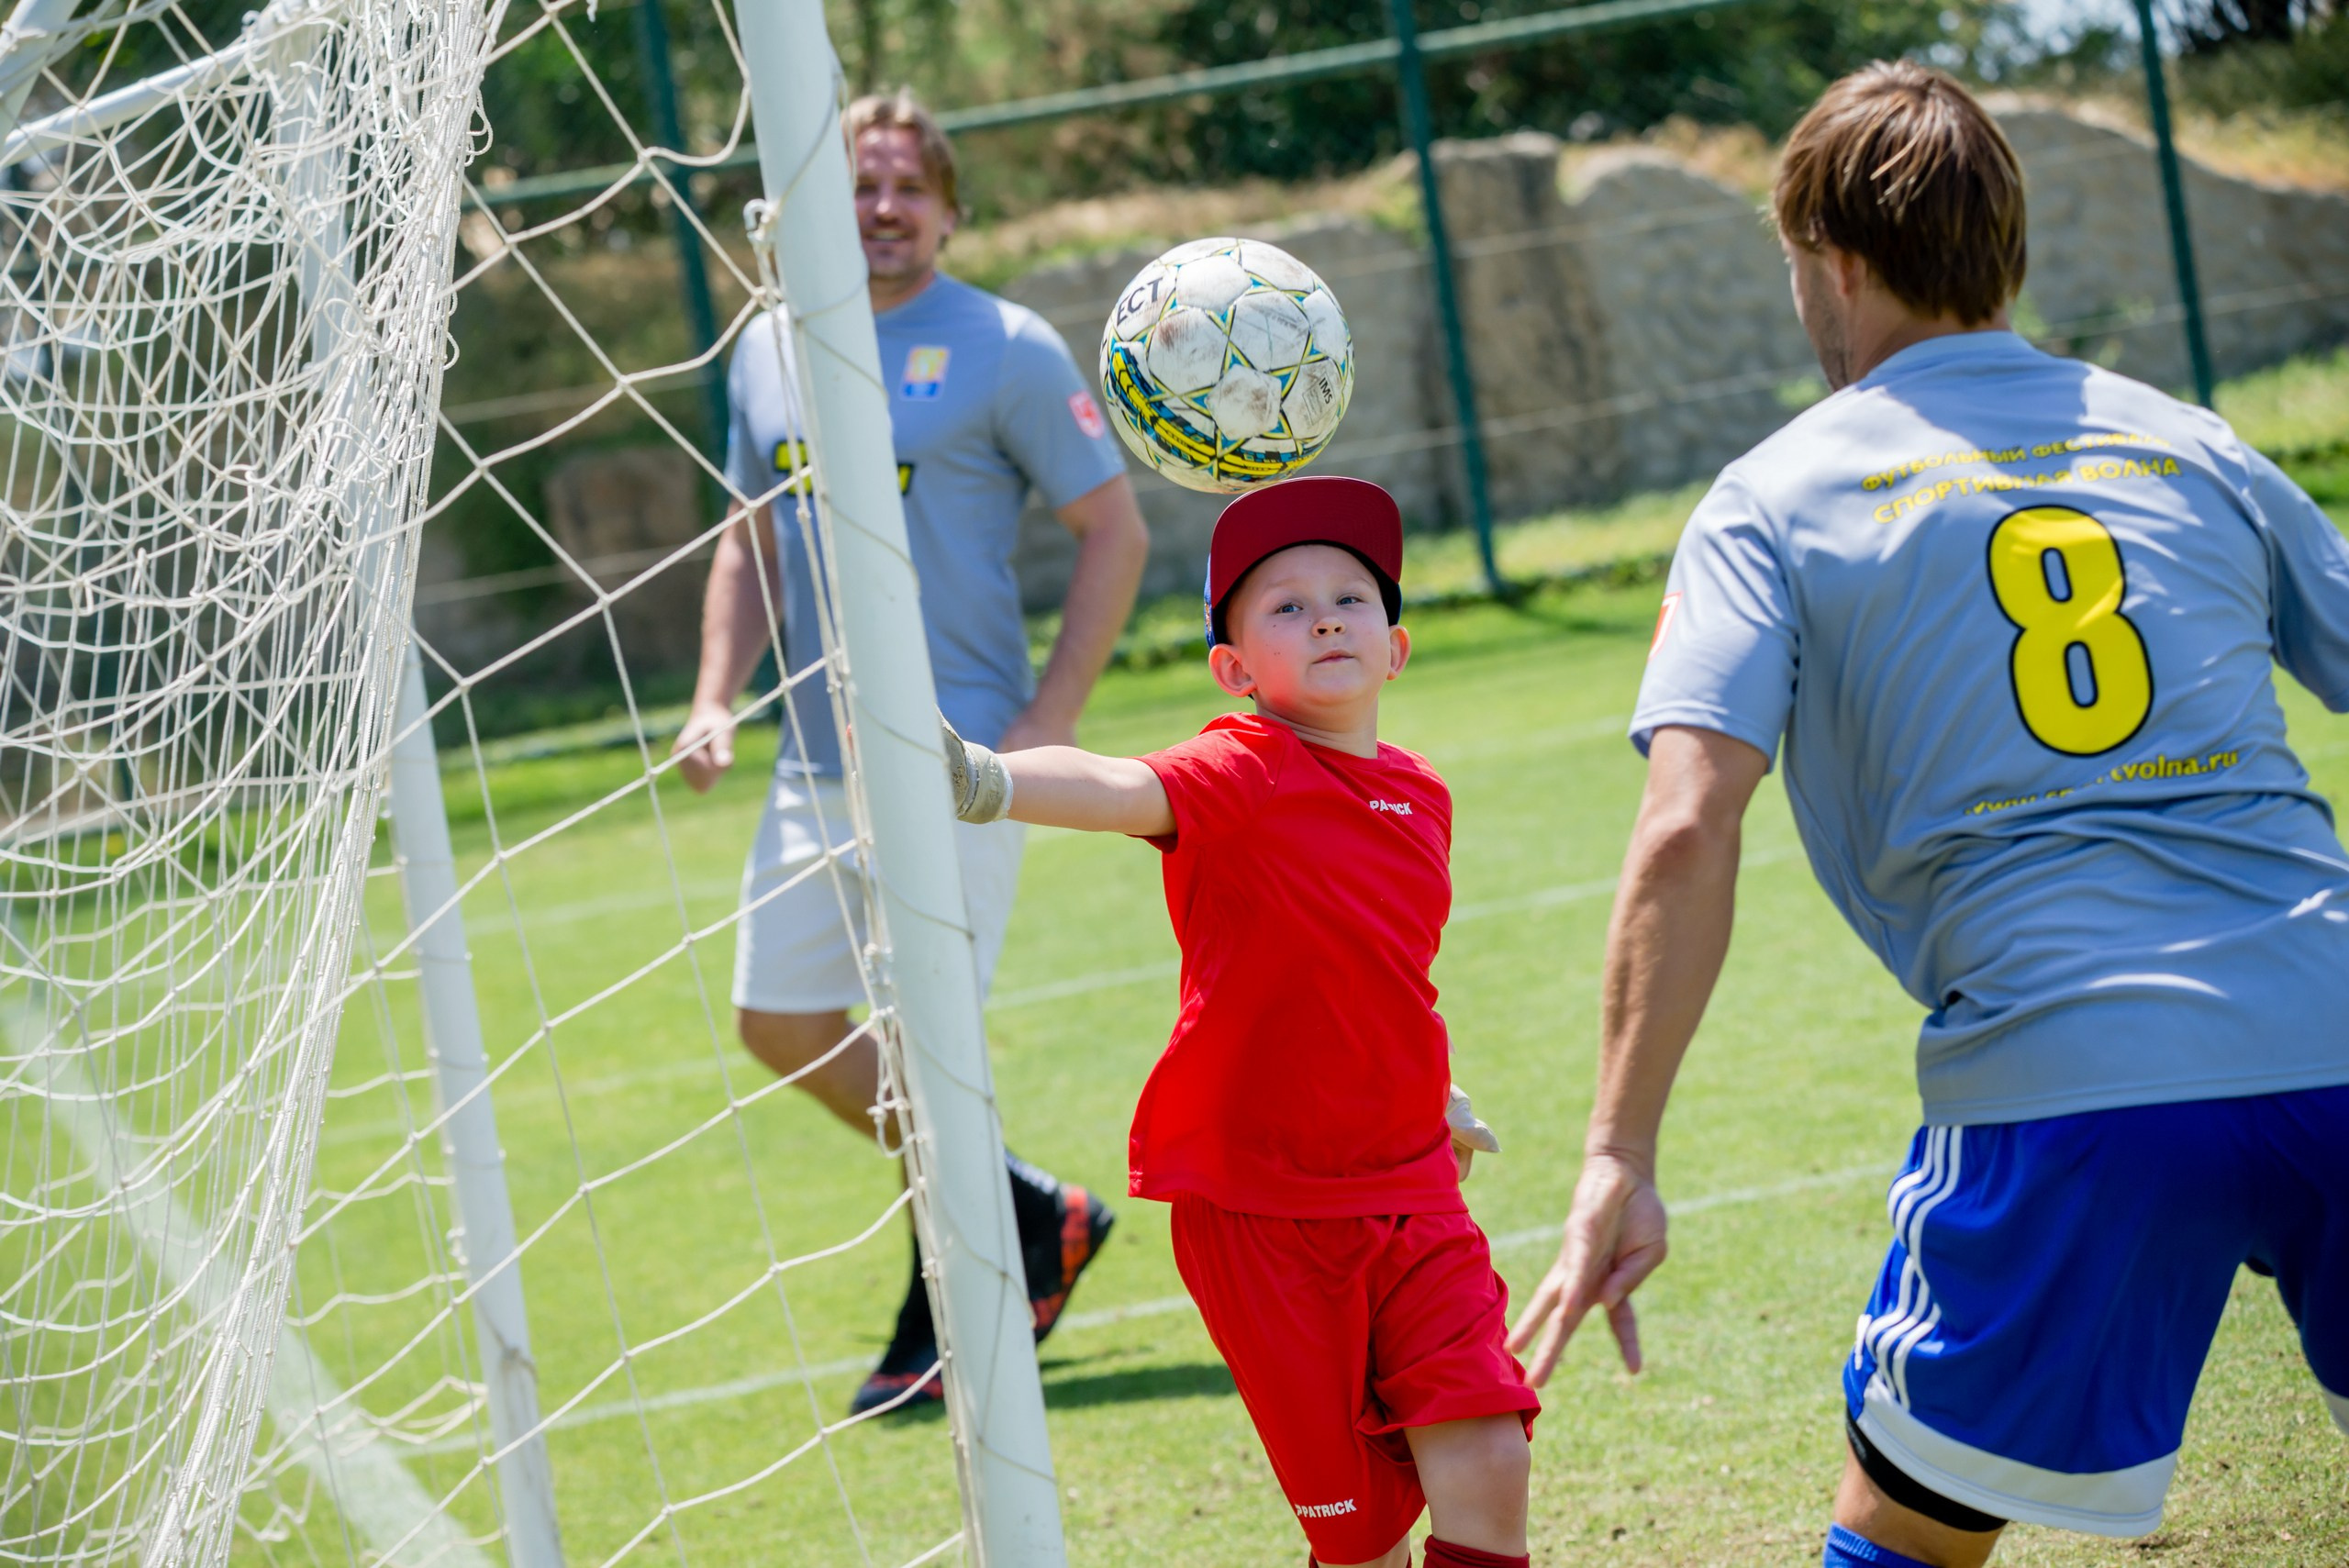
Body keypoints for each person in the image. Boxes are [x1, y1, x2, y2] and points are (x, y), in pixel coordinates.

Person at [1507, 61, 2349, 1568]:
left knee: (1904, 1532)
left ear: (1832, 260)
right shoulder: (2191, 439)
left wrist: (1617, 1151)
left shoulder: (1774, 495)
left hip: (2072, 1078)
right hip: (2336, 1020)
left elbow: (1688, 824)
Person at [941, 474, 1534, 1568]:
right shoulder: (1242, 767)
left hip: (1410, 1187)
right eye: (1286, 606)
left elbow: (1381, 966)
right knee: (1363, 1542)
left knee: (1489, 1459)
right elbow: (1115, 784)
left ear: (1395, 646)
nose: (1326, 619)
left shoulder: (1421, 793)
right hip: (1263, 1210)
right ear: (1234, 669)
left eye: (1350, 598)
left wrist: (1432, 1088)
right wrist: (983, 777)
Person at [672, 87, 1152, 1416]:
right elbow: (751, 540)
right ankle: (1024, 1207)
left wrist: (1048, 720)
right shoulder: (767, 347)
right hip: (809, 761)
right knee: (776, 1019)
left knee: (926, 1038)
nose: (880, 208)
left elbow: (1114, 531)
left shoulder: (1006, 346)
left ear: (949, 211)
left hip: (954, 764)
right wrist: (714, 695)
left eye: (905, 187)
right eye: (857, 185)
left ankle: (955, 1300)